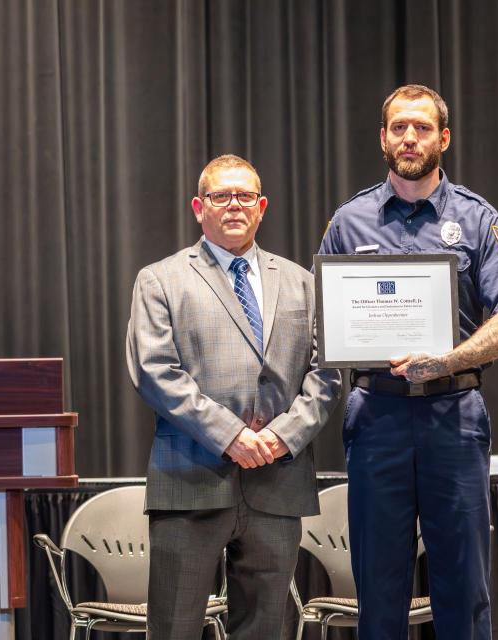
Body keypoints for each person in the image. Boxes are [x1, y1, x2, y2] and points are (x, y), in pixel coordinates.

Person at [317, 84, 498, 639]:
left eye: (421, 127)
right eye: (398, 127)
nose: (409, 137)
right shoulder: (349, 222)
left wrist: (446, 360)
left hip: (453, 416)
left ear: (444, 137)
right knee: (378, 585)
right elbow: (320, 322)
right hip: (376, 418)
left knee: (462, 589)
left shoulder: (479, 219)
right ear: (383, 138)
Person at [126, 154, 341, 639]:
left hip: (278, 482)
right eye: (221, 196)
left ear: (261, 206)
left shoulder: (303, 283)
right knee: (175, 628)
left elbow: (326, 374)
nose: (234, 206)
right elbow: (154, 371)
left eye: (244, 196)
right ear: (199, 207)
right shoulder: (160, 279)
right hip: (191, 480)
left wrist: (283, 438)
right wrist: (231, 436)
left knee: (265, 631)